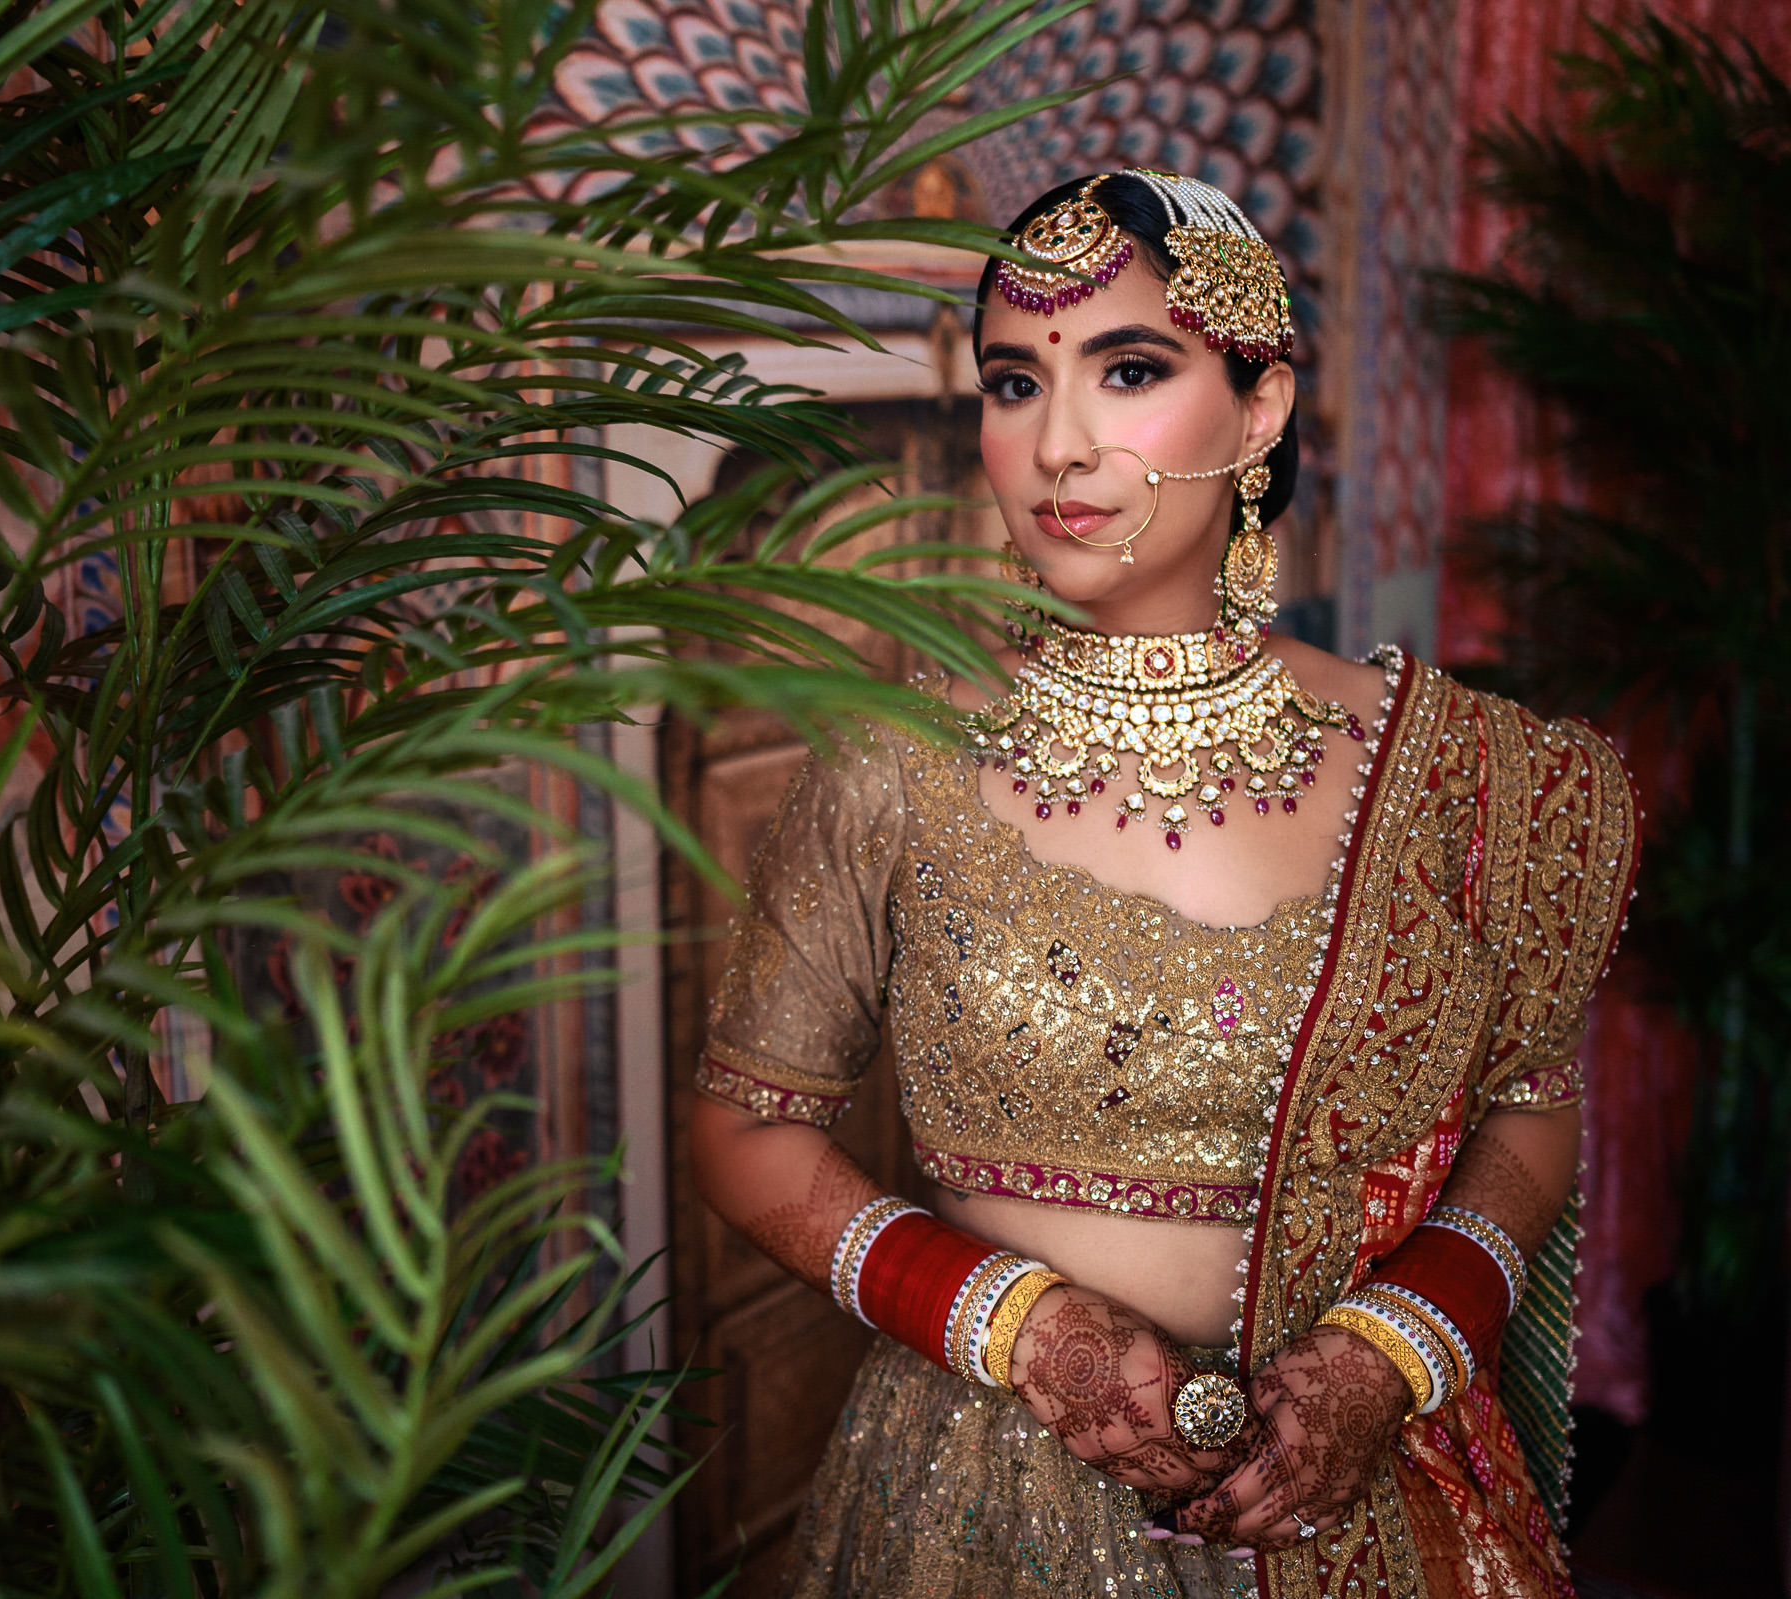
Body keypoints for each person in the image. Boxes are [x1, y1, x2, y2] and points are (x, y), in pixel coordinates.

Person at [688, 169, 1638, 1599]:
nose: (1057, 445)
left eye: (1129, 369)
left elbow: (1529, 1116)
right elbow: (747, 1129)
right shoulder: (893, 769)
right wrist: (1030, 1330)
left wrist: (1390, 1353)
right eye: (1016, 382)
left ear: (1260, 409)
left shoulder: (1469, 777)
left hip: (1365, 1506)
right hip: (977, 1497)